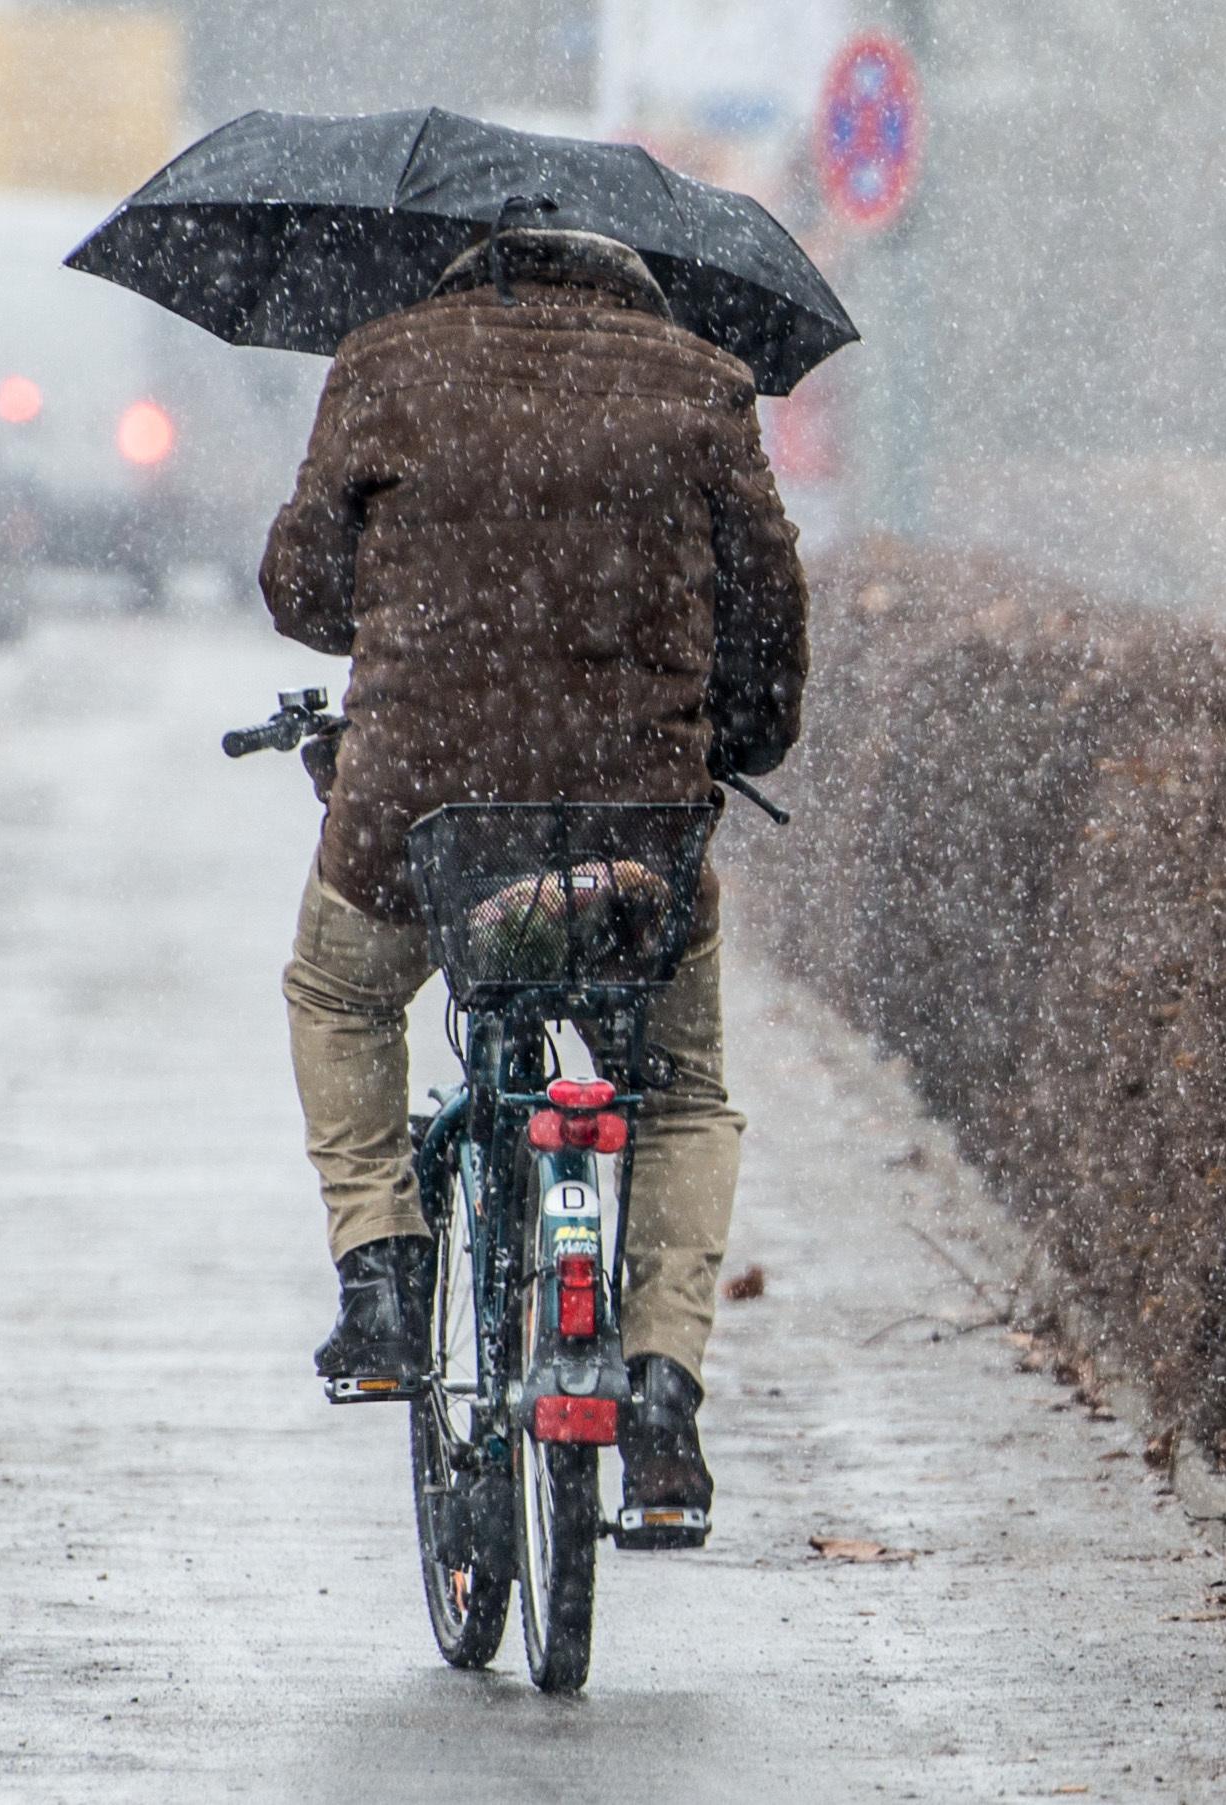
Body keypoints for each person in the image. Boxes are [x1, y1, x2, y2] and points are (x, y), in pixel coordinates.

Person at [259, 227, 807, 1541]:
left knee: (338, 990)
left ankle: (385, 1284)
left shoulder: (385, 364)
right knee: (677, 1089)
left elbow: (302, 589)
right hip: (635, 828)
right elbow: (767, 616)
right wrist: (733, 732)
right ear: (633, 272)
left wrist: (406, 592)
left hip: (423, 816)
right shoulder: (699, 382)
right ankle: (663, 1393)